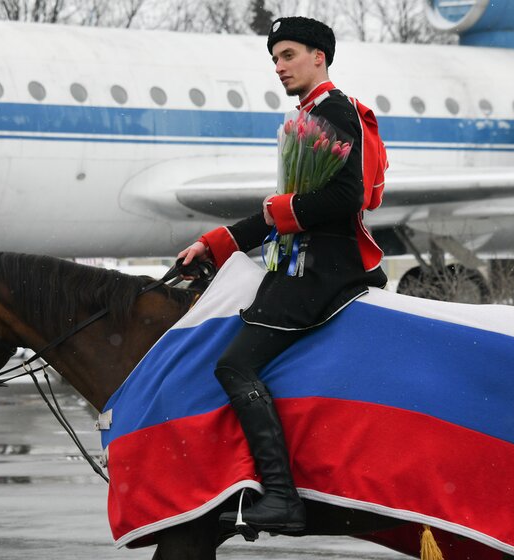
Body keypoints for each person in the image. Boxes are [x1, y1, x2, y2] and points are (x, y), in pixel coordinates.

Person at [177, 16, 388, 536]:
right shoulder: (310, 114)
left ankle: (280, 496)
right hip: (303, 260)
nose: (279, 66)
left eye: (288, 54)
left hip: (322, 269)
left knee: (234, 366)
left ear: (320, 56)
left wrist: (281, 209)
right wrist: (215, 242)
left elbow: (345, 199)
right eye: (275, 58)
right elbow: (283, 213)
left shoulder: (336, 109)